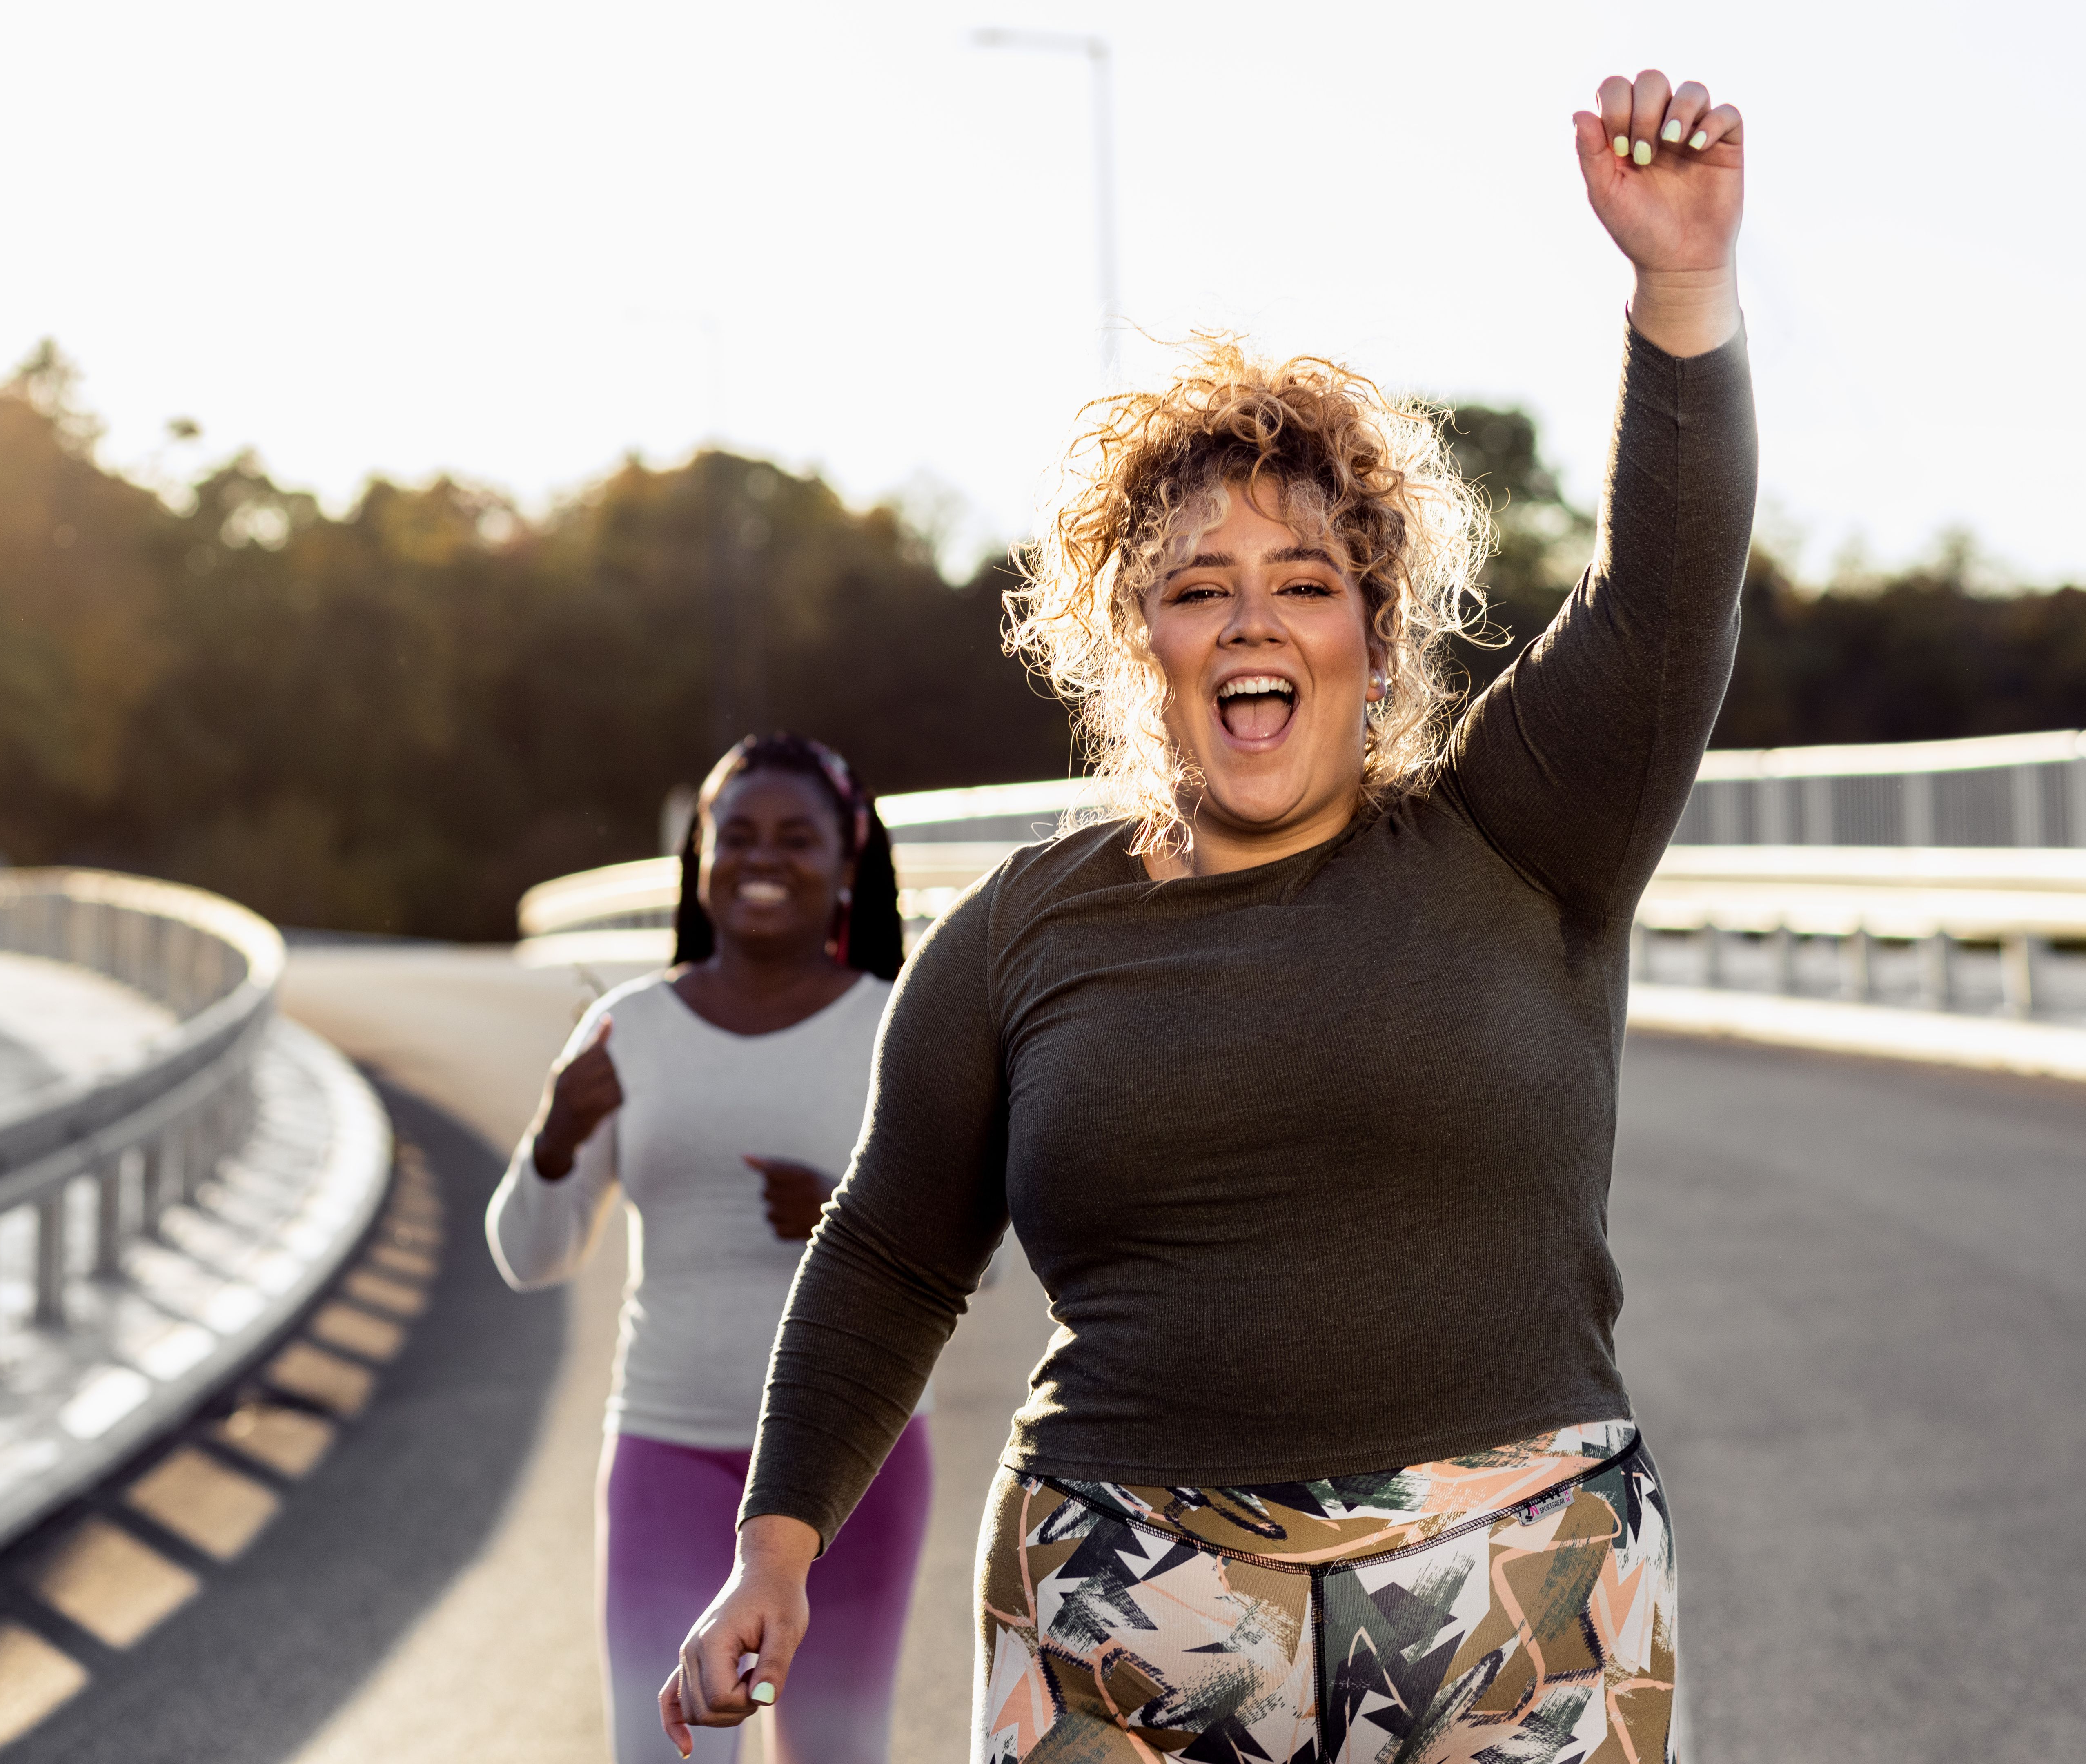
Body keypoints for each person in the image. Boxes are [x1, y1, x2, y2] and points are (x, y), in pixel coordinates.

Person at [666, 66, 1753, 1764]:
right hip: (1125, 1608)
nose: (1254, 619)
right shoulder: (1021, 935)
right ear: (1137, 647)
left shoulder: (1523, 833)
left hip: (1516, 1584)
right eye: (1195, 588)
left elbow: (1664, 599)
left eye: (1306, 583)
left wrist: (1677, 292)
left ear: (1375, 643)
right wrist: (773, 1547)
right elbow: (886, 1252)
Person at [488, 735, 933, 1764]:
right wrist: (553, 1142)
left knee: (835, 1751)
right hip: (668, 1448)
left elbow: (980, 1260)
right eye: (735, 836)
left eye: (795, 837)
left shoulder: (901, 1032)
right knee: (665, 1754)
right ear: (698, 857)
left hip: (854, 1462)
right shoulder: (626, 1029)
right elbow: (529, 1257)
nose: (761, 859)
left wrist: (843, 1214)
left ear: (848, 858)